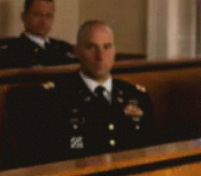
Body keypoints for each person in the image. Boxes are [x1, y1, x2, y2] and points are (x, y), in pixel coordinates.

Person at [15, 20, 155, 166]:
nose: (100, 56)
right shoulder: (55, 97)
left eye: (107, 47)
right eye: (91, 47)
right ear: (78, 52)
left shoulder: (136, 96)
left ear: (114, 52)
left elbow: (150, 151)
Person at [0, 0, 77, 69]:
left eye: (48, 16)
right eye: (37, 15)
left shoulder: (64, 48)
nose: (44, 21)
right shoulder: (12, 51)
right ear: (24, 16)